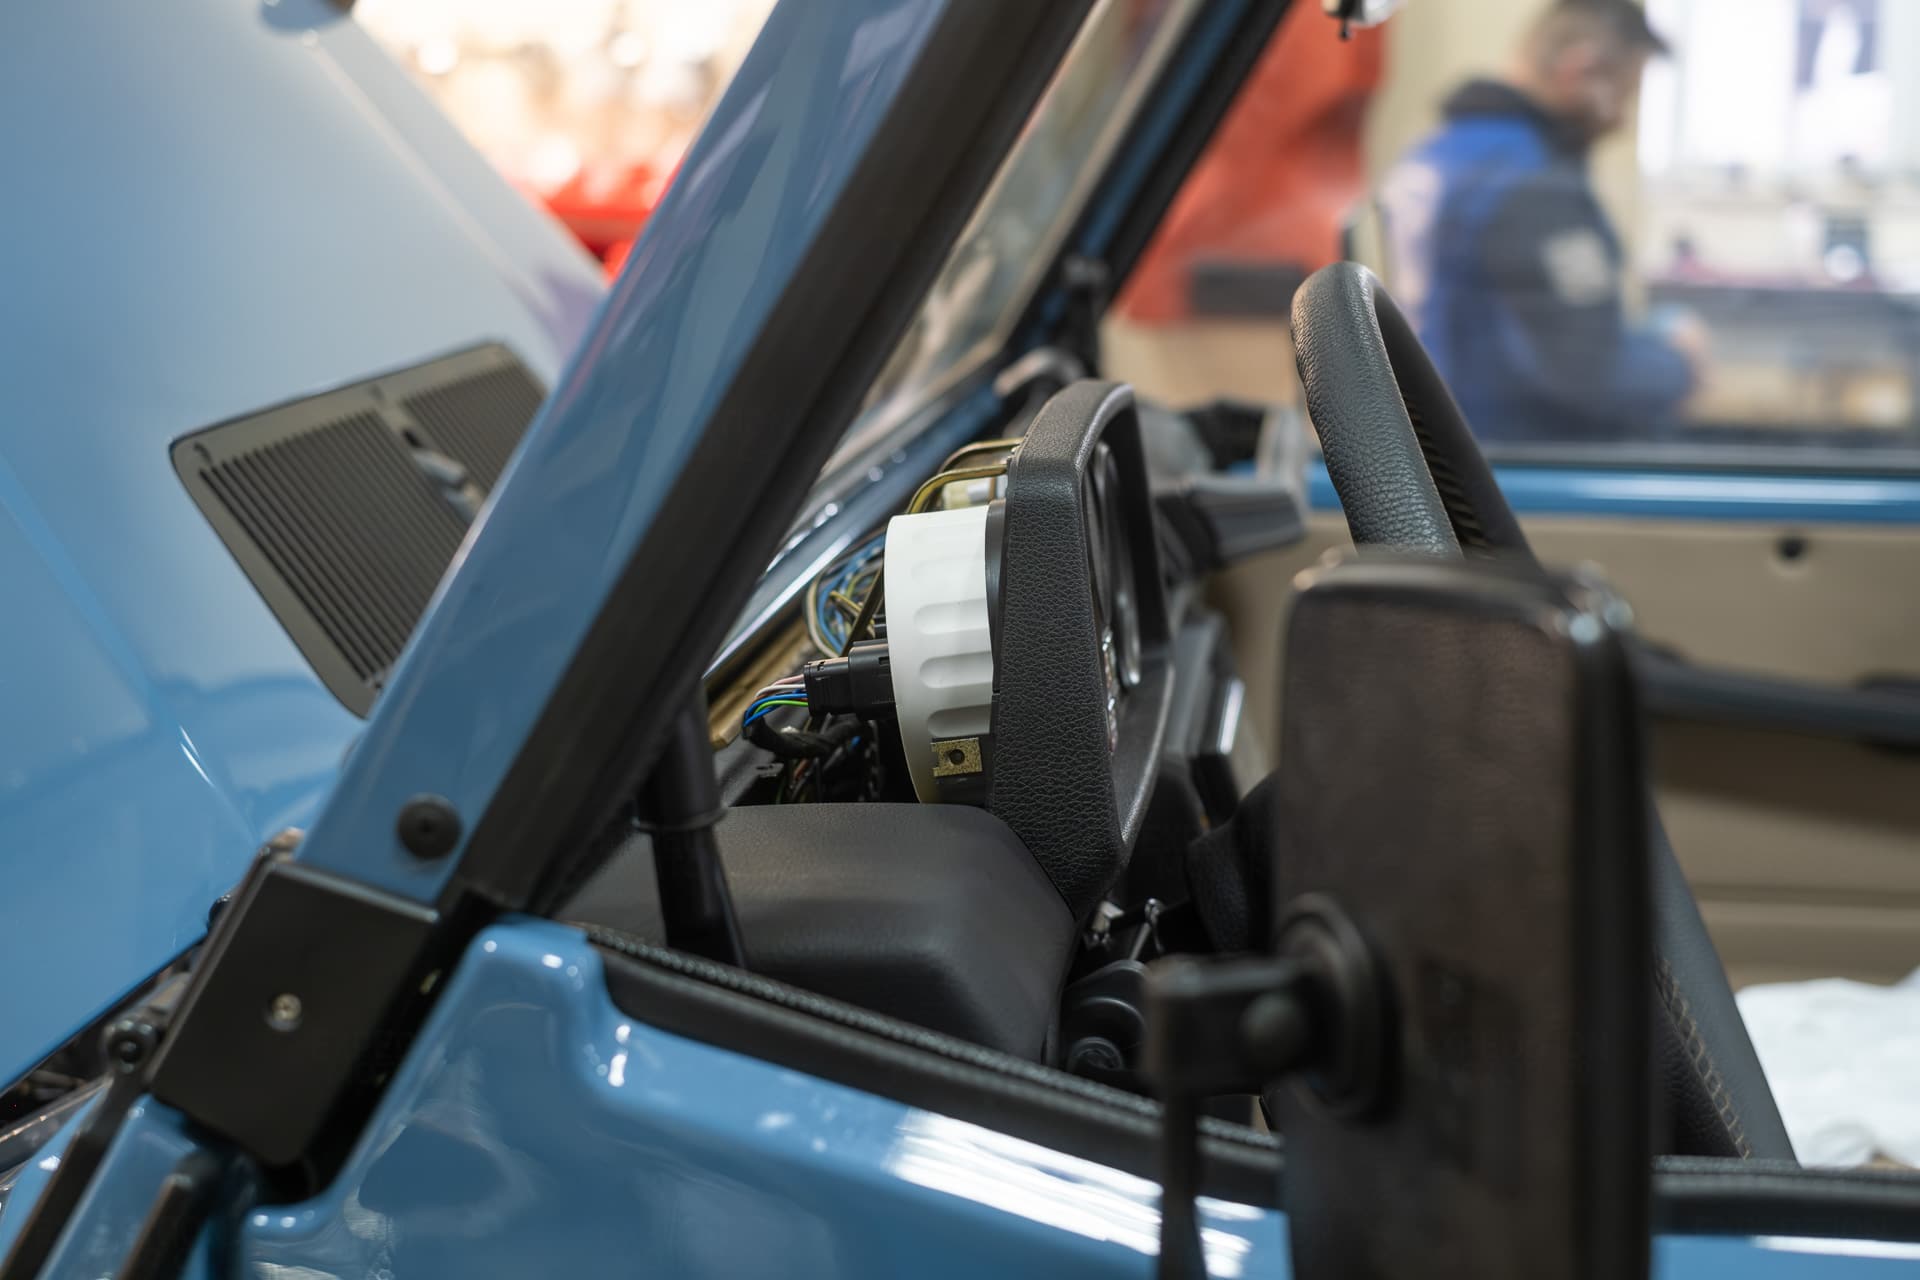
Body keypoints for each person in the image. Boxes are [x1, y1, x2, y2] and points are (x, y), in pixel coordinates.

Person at [1379, 0, 1704, 443]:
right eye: (1623, 94)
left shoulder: (1432, 157)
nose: (1619, 120)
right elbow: (1587, 372)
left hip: (1442, 444)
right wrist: (1680, 363)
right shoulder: (1533, 184)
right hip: (1515, 456)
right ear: (1580, 69)